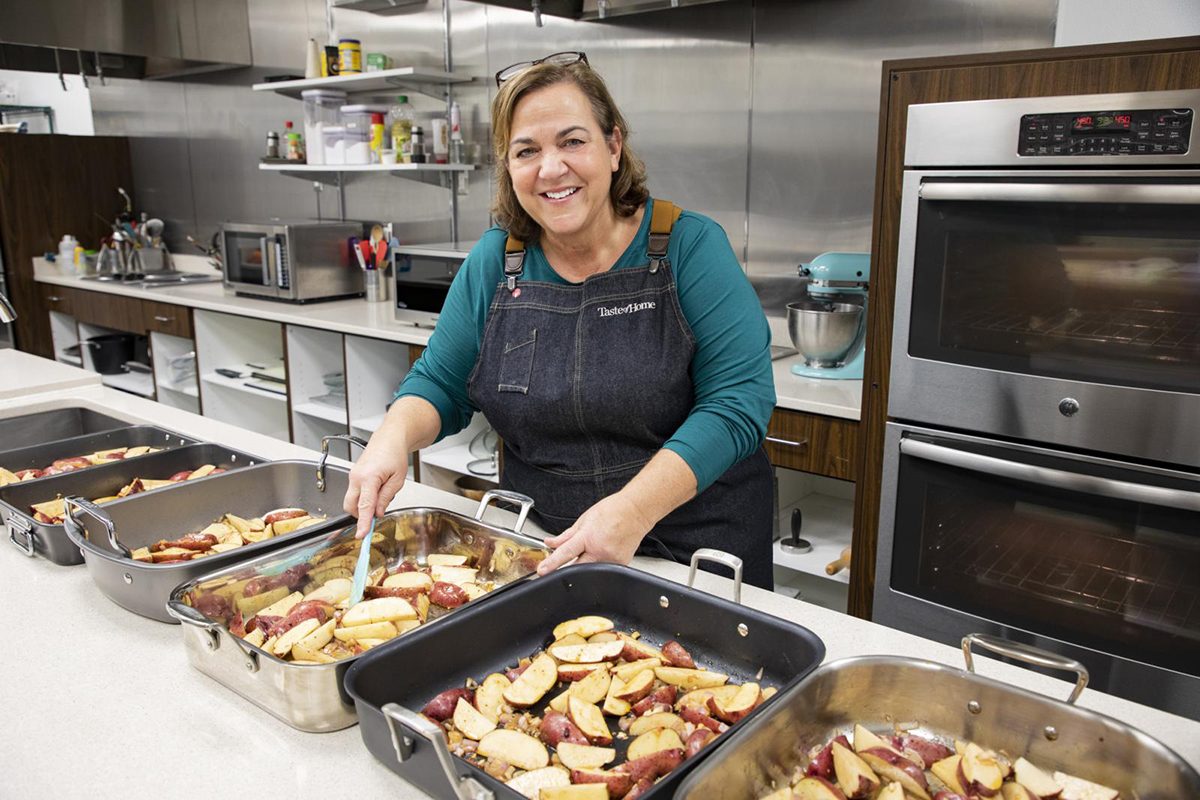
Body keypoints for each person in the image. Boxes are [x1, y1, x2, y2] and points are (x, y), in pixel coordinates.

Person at [342, 51, 777, 588]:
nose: (551, 168)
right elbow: (440, 384)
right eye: (527, 151)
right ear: (510, 167)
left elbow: (738, 404)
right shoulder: (495, 262)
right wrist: (392, 436)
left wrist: (634, 510)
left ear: (613, 147)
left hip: (697, 555)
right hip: (544, 548)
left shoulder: (690, 247)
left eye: (572, 141)